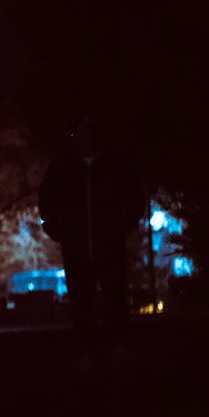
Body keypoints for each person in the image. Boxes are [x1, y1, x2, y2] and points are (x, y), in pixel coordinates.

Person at [38, 111, 147, 373]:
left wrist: (127, 223)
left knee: (114, 295)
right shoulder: (63, 167)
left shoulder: (114, 164)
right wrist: (56, 229)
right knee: (81, 299)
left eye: (91, 130)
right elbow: (47, 200)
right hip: (77, 245)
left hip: (108, 243)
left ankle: (116, 346)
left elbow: (134, 195)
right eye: (81, 131)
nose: (86, 136)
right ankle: (89, 351)